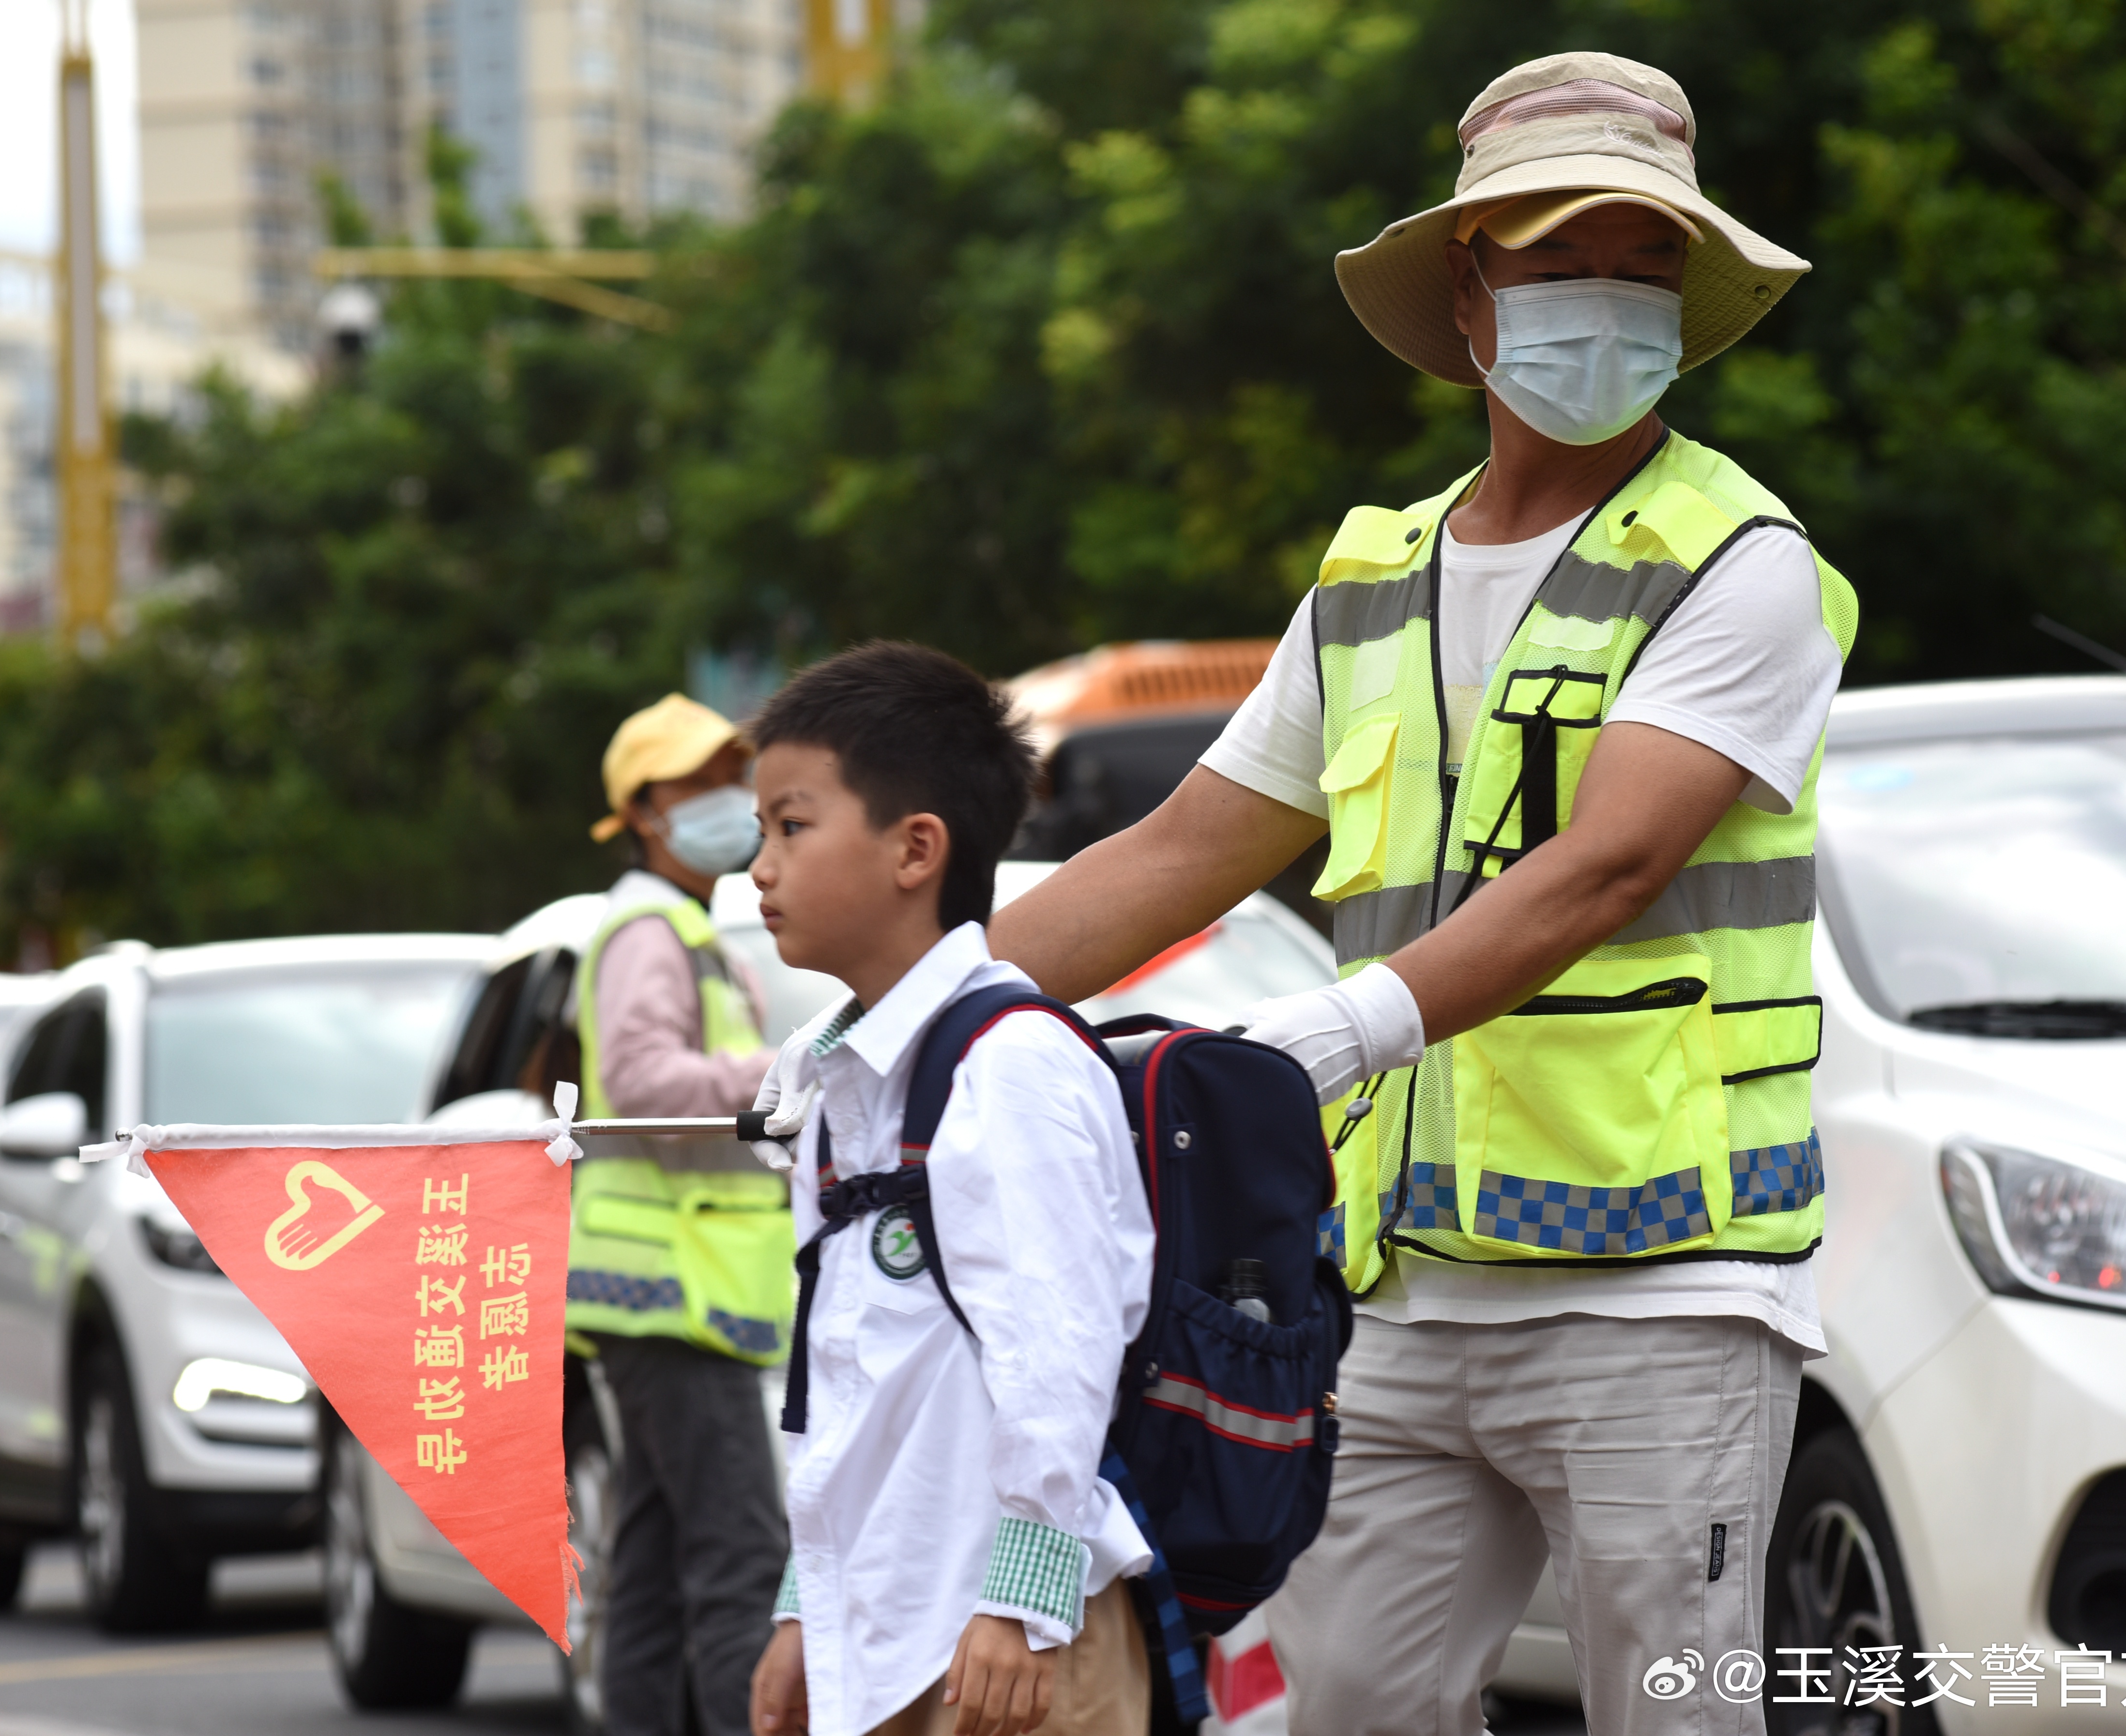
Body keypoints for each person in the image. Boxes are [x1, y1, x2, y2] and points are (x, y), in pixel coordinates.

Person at [985, 51, 1855, 1736]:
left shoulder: (1740, 562)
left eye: (1646, 260)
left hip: (1662, 1278)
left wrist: (1329, 1031)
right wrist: (920, 1014)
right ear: (1469, 292)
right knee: (1355, 1707)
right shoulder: (1372, 576)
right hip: (1398, 1283)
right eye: (1559, 255)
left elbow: (1606, 865)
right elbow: (1179, 851)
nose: (1606, 294)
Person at [741, 642, 1156, 1736]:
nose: (759, 868)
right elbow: (849, 1384)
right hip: (884, 1639)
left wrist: (1020, 1600)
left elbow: (1060, 1349)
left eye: (791, 826)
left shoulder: (1009, 1062)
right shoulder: (837, 1082)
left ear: (915, 848)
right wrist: (805, 1610)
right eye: (761, 831)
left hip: (1011, 1648)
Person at [576, 692, 792, 1736]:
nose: (727, 797)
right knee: (740, 1559)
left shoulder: (684, 928)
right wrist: (782, 1071)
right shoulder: (649, 928)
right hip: (674, 1292)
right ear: (643, 810)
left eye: (729, 775)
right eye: (699, 780)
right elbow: (641, 1083)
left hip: (668, 1291)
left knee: (658, 1568)